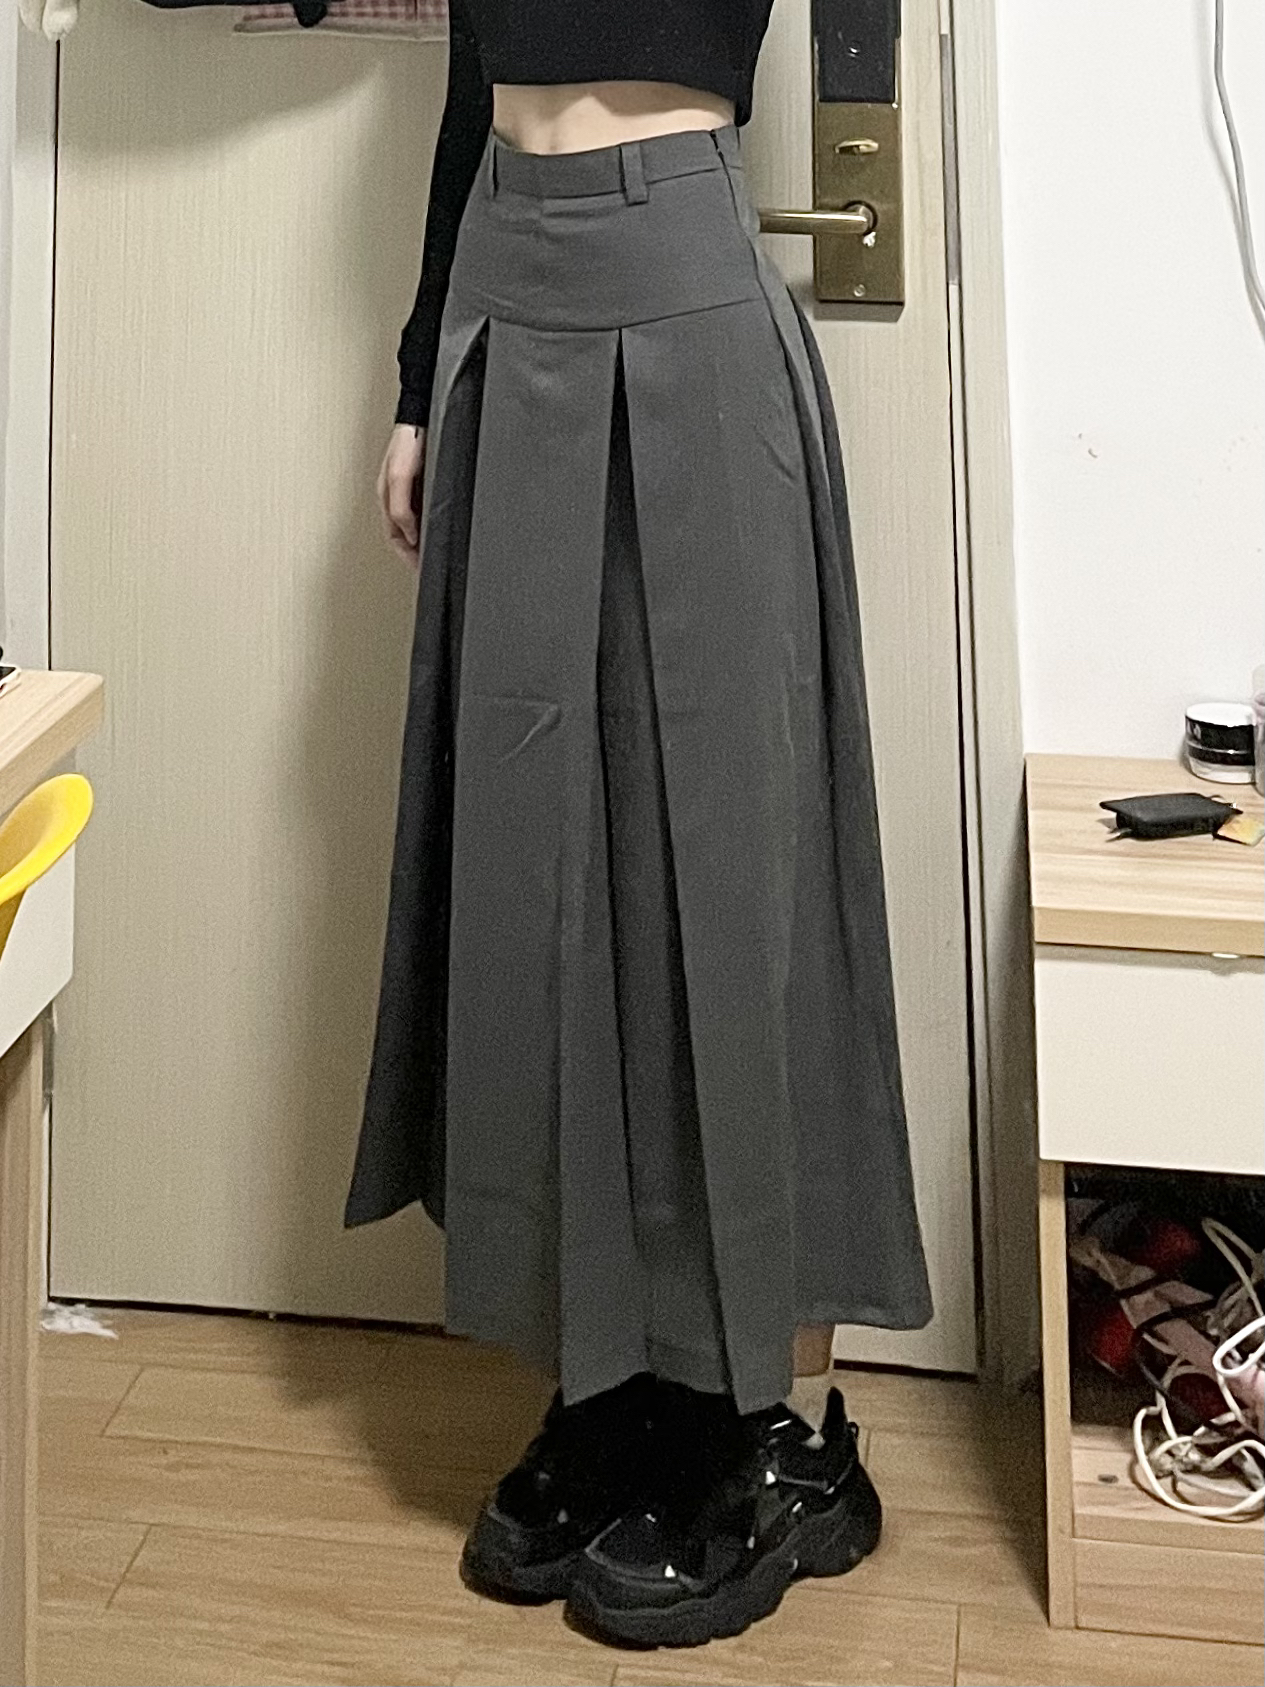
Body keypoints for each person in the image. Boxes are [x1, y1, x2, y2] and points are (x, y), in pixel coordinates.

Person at [346, 0, 932, 1649]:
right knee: (532, 867)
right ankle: (606, 1380)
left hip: (680, 271)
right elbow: (471, 87)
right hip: (503, 277)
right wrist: (417, 383)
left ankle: (759, 1422)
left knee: (725, 872)